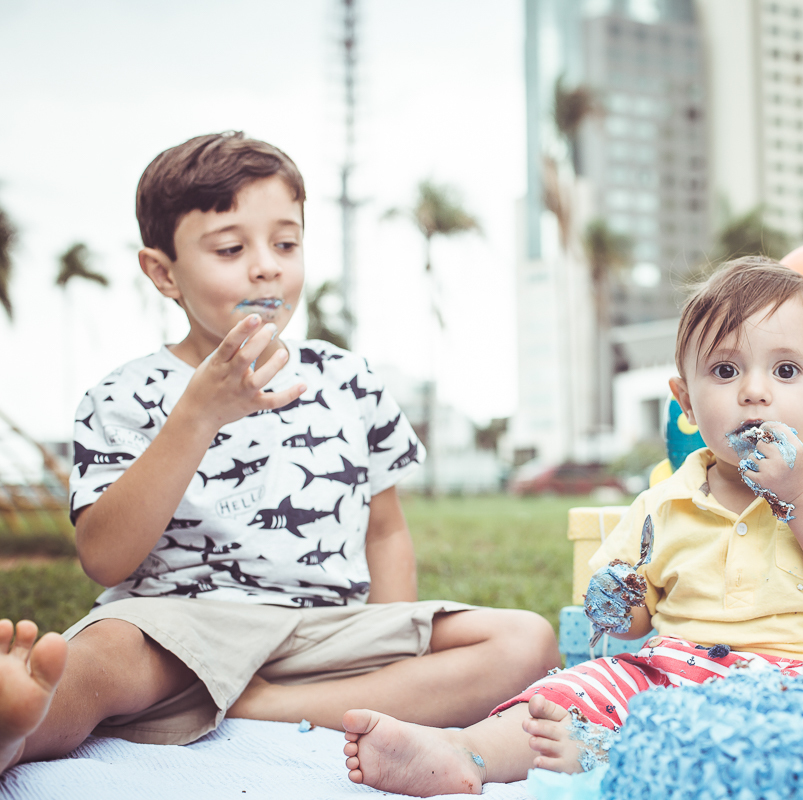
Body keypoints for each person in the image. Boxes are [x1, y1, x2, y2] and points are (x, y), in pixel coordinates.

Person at [0, 131, 559, 776]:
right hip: (177, 629)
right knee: (97, 663)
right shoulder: (123, 396)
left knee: (525, 640)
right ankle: (18, 729)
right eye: (231, 248)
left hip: (326, 632)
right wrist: (197, 415)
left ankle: (262, 707)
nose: (266, 266)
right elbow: (104, 558)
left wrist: (391, 646)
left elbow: (385, 531)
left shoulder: (348, 379)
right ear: (162, 272)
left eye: (286, 243)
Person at [337, 256, 803, 796]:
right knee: (575, 692)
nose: (754, 390)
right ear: (686, 400)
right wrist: (617, 598)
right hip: (672, 675)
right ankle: (468, 751)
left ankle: (618, 753)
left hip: (800, 686)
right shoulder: (663, 502)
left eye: (785, 370)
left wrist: (802, 496)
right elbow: (632, 621)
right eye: (725, 369)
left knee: (790, 746)